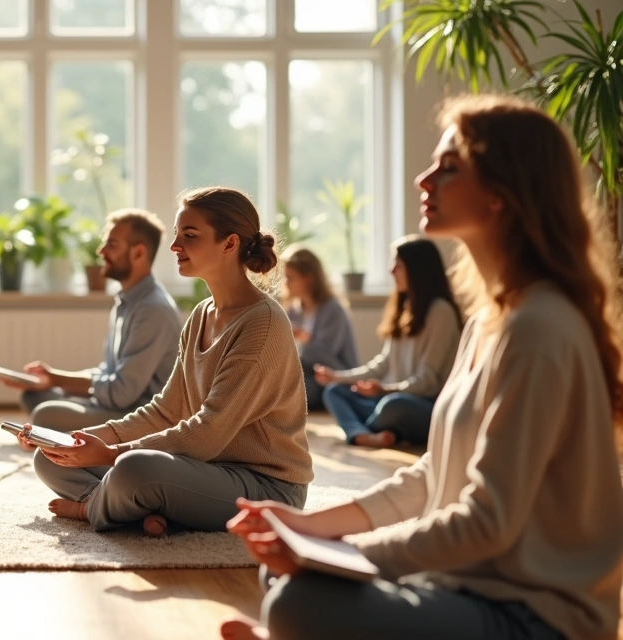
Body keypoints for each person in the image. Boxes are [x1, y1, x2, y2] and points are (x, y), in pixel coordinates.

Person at [220, 94, 623, 640]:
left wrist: (335, 554)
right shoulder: (488, 321)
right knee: (283, 579)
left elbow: (486, 521)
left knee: (298, 600)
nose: (423, 179)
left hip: (535, 618)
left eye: (449, 168)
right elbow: (433, 474)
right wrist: (309, 527)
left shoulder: (541, 327)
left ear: (503, 193)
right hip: (461, 588)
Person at [20, 187, 312, 538]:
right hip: (205, 470)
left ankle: (91, 508)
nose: (175, 247)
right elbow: (164, 410)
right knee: (50, 458)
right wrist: (83, 440)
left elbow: (208, 432)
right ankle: (137, 509)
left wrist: (110, 453)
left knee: (133, 468)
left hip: (268, 488)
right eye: (176, 235)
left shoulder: (262, 323)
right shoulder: (202, 315)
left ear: (229, 244)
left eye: (189, 236)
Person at [6, 208, 183, 431]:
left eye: (112, 245)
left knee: (45, 414)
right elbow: (107, 373)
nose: (101, 252)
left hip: (138, 416)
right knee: (34, 395)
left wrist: (59, 381)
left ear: (138, 253)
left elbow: (121, 394)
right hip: (114, 405)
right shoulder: (127, 300)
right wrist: (52, 379)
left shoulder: (153, 310)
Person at [317, 236, 461, 447]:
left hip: (422, 404)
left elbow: (428, 381)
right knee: (334, 391)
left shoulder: (441, 312)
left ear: (418, 270)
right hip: (389, 397)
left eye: (398, 265)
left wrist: (385, 390)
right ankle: (368, 434)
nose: (391, 270)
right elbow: (382, 364)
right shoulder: (404, 308)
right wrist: (336, 377)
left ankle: (359, 429)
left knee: (393, 405)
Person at [280, 247, 358, 409]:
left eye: (290, 278)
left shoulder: (332, 309)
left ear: (308, 279)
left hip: (335, 377)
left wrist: (303, 340)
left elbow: (324, 356)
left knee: (289, 390)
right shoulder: (294, 310)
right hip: (308, 376)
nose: (285, 284)